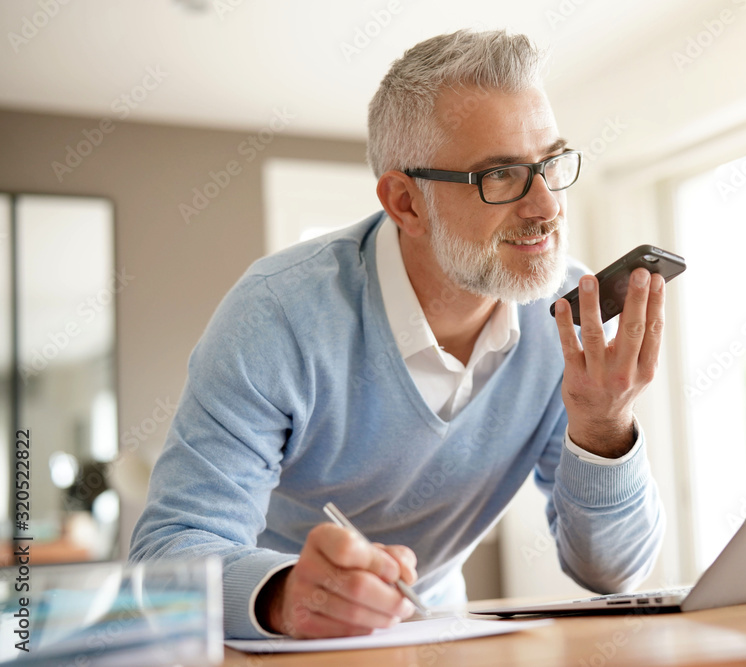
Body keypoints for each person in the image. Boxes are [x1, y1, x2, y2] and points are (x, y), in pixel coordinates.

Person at [129, 28, 666, 640]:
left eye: (549, 164)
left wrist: (603, 427)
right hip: (279, 640)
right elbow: (165, 559)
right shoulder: (276, 315)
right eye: (501, 176)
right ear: (406, 203)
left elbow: (613, 576)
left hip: (437, 633)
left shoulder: (566, 322)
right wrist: (283, 597)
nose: (546, 207)